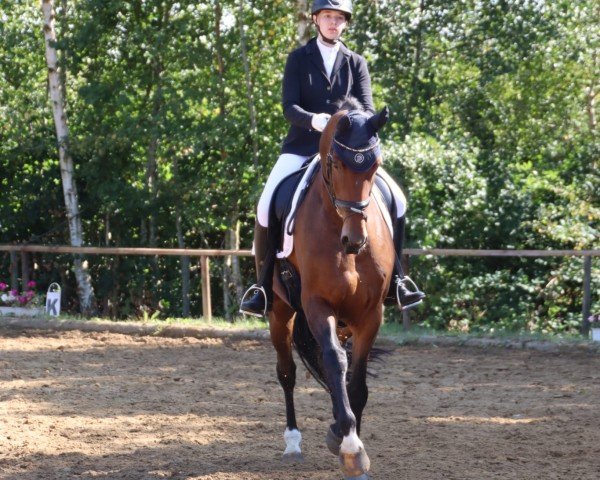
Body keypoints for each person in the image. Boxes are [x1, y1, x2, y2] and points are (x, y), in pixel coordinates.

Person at [240, 0, 424, 316]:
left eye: (339, 18)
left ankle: (398, 280)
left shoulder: (356, 62)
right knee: (265, 203)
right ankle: (261, 287)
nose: (333, 23)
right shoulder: (298, 59)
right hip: (302, 148)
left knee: (399, 199)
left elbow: (366, 106)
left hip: (347, 153)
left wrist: (347, 123)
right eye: (328, 16)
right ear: (315, 19)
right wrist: (316, 121)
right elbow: (289, 107)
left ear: (345, 24)